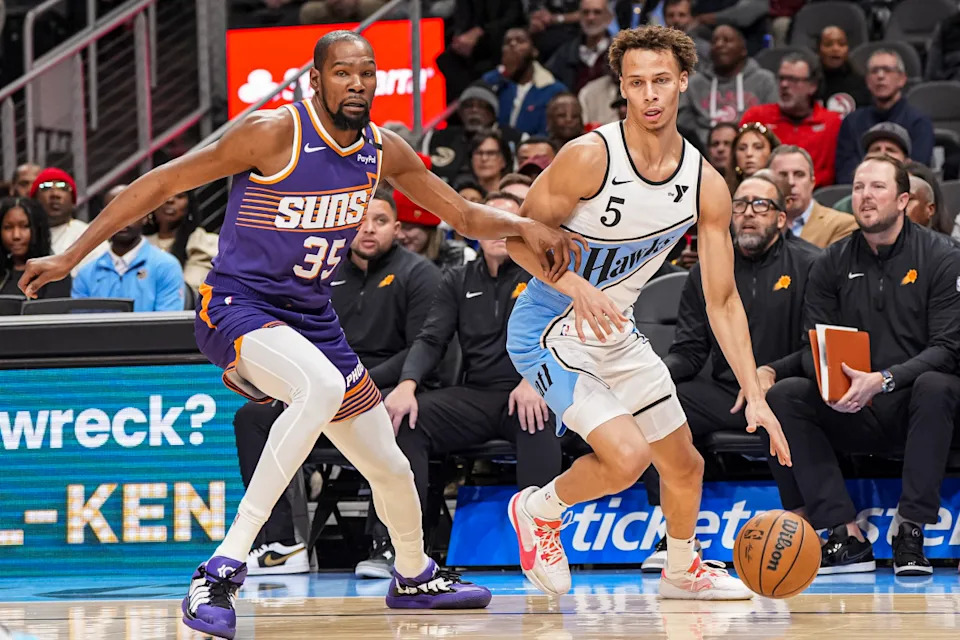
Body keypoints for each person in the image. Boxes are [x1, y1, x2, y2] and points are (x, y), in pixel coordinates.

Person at [18, 30, 581, 639]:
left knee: (389, 466)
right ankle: (220, 571)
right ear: (316, 79)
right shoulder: (272, 133)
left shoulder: (384, 150)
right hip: (239, 305)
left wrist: (525, 223)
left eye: (367, 71)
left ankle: (414, 575)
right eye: (343, 72)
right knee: (314, 387)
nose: (358, 82)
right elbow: (158, 184)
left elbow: (466, 216)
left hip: (313, 319)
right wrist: (69, 256)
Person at [503, 25, 790, 600]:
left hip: (617, 332)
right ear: (623, 90)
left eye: (661, 80)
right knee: (629, 456)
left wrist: (754, 394)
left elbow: (722, 299)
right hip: (547, 329)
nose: (651, 94)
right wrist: (575, 283)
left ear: (683, 80)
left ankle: (683, 570)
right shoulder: (588, 157)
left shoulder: (704, 183)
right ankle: (537, 508)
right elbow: (516, 238)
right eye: (637, 84)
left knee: (683, 465)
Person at [761, 155, 960, 576]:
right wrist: (781, 372)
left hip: (915, 407)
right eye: (857, 187)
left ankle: (910, 531)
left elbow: (948, 347)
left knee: (938, 384)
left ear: (904, 199)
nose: (864, 196)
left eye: (877, 187)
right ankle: (844, 534)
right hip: (851, 403)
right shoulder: (830, 262)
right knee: (784, 396)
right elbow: (814, 345)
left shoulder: (943, 257)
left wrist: (883, 381)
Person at [366, 191, 564, 578]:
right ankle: (404, 547)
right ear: (476, 230)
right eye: (489, 221)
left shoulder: (545, 275)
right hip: (477, 394)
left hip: (531, 389)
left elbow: (564, 336)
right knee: (408, 417)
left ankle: (542, 543)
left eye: (506, 222)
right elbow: (431, 338)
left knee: (538, 416)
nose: (497, 231)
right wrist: (407, 384)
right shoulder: (457, 278)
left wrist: (534, 379)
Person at [640, 171, 820, 572]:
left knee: (785, 399)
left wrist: (768, 372)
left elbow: (815, 347)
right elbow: (688, 351)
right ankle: (675, 532)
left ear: (781, 217)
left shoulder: (811, 265)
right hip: (726, 396)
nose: (748, 214)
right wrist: (654, 375)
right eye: (739, 205)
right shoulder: (704, 270)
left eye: (761, 205)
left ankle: (805, 523)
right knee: (660, 402)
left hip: (784, 390)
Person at [740, 52, 842, 186]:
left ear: (812, 86)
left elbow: (832, 173)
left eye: (793, 80)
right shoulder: (756, 117)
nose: (784, 85)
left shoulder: (832, 122)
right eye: (781, 78)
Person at [834, 50, 935, 184]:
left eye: (887, 70)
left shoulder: (919, 122)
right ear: (867, 81)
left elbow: (917, 172)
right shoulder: (852, 122)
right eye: (874, 71)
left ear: (902, 79)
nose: (880, 76)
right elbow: (845, 174)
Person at [71, 199, 186, 313]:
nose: (122, 219)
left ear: (145, 216)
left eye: (130, 211)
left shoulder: (166, 266)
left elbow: (167, 325)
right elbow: (80, 328)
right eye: (113, 212)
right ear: (102, 218)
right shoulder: (86, 273)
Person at [678, 24, 777, 145]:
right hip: (704, 149)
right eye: (715, 41)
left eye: (727, 40)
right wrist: (710, 141)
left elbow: (773, 119)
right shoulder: (694, 83)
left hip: (750, 148)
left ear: (743, 50)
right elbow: (683, 121)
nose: (720, 45)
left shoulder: (764, 80)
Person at [767, 145, 858, 249]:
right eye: (782, 175)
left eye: (799, 174)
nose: (791, 182)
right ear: (769, 184)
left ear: (812, 182)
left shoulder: (843, 225)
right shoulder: (757, 224)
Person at [0, 197, 71, 299]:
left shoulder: (54, 271)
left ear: (38, 229)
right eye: (8, 227)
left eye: (25, 226)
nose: (16, 235)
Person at [817, 25, 870, 118]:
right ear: (819, 49)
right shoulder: (810, 83)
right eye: (828, 44)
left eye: (841, 44)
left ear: (847, 49)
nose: (835, 49)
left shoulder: (861, 84)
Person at [725, 122, 779, 194]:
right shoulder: (725, 192)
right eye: (742, 148)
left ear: (772, 151)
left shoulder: (784, 191)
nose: (749, 153)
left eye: (758, 147)